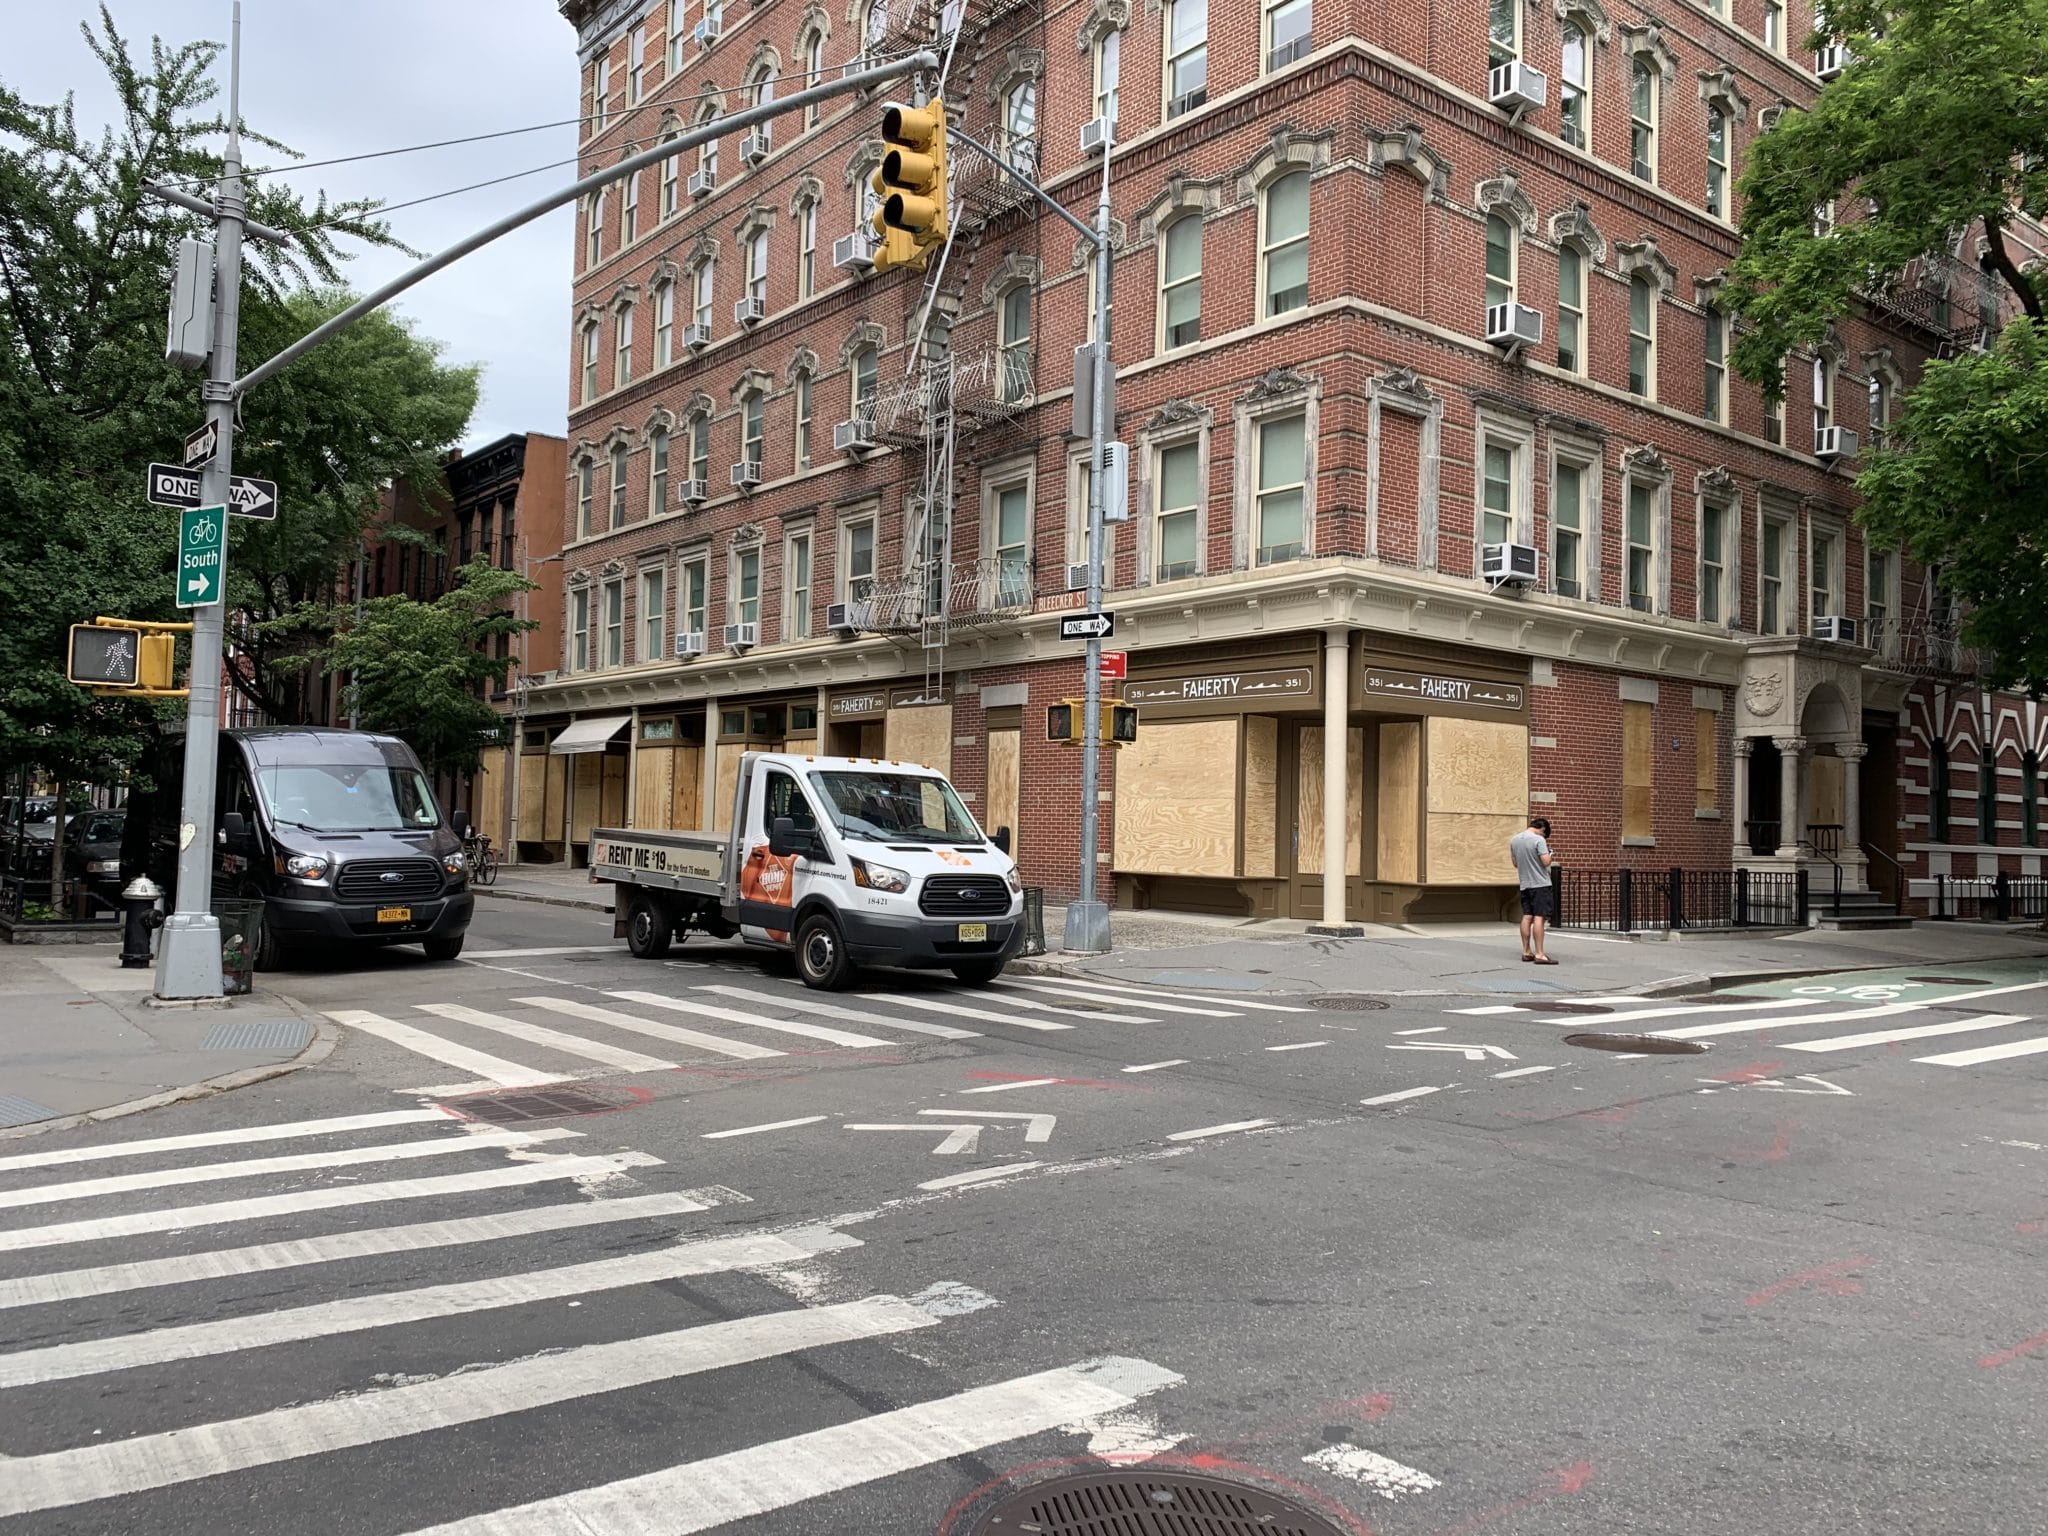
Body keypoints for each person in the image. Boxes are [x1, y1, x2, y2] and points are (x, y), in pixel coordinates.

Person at [1508, 816, 1557, 964]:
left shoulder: (1514, 840)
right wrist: (1550, 853)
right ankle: (1540, 954)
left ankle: (1526, 951)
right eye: (1544, 834)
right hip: (1540, 884)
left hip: (1525, 884)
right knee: (1539, 918)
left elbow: (1515, 863)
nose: (1544, 836)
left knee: (1527, 916)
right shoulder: (1538, 840)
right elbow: (1546, 861)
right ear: (1542, 829)